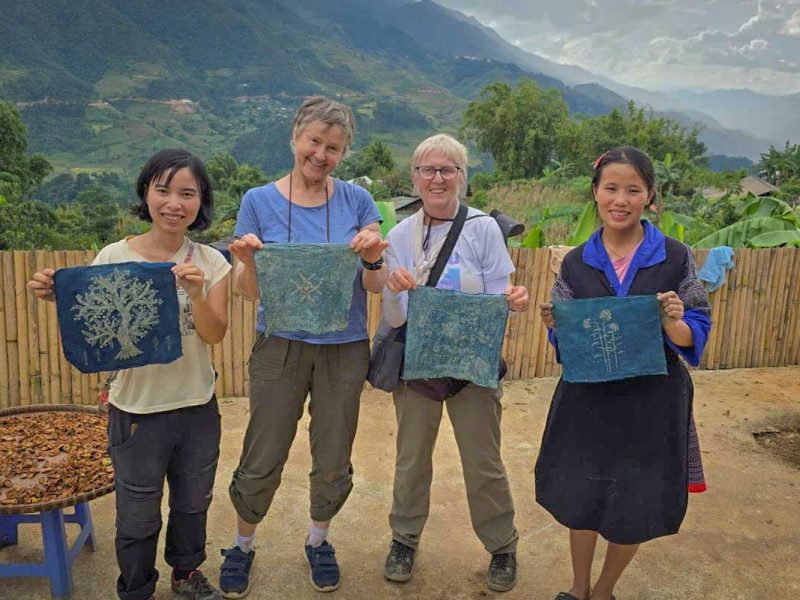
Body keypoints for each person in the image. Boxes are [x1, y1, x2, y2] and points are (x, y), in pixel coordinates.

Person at [27, 149, 231, 600]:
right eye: (163, 190)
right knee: (137, 513)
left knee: (193, 502)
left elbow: (215, 334)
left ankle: (185, 574)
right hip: (136, 410)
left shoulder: (210, 261)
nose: (174, 203)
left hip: (197, 406)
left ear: (201, 202)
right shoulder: (115, 256)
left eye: (187, 193)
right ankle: (136, 588)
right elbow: (89, 313)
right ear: (146, 193)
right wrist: (53, 294)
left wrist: (196, 292)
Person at [219, 96, 387, 597]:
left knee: (333, 449)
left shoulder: (358, 203)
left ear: (343, 152)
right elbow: (250, 294)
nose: (321, 154)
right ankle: (242, 544)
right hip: (280, 345)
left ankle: (319, 539)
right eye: (315, 141)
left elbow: (374, 288)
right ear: (296, 137)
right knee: (264, 447)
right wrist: (246, 261)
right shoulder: (257, 201)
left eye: (333, 147)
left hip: (345, 345)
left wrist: (374, 257)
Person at [535, 146, 711, 600]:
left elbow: (696, 330)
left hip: (652, 402)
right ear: (595, 193)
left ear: (650, 196)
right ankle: (577, 589)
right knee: (582, 494)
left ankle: (604, 590)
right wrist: (557, 326)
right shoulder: (576, 262)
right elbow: (567, 345)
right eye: (611, 188)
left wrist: (673, 320)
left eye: (633, 189)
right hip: (587, 401)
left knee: (635, 498)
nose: (621, 199)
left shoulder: (675, 256)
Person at [379, 133, 529, 593]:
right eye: (428, 169)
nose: (438, 178)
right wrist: (399, 292)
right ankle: (404, 538)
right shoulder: (400, 235)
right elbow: (392, 317)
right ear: (415, 178)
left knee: (483, 462)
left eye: (448, 169)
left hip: (471, 368)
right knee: (411, 461)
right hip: (418, 366)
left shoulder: (484, 229)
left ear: (463, 177)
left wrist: (514, 299)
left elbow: (498, 298)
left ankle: (502, 546)